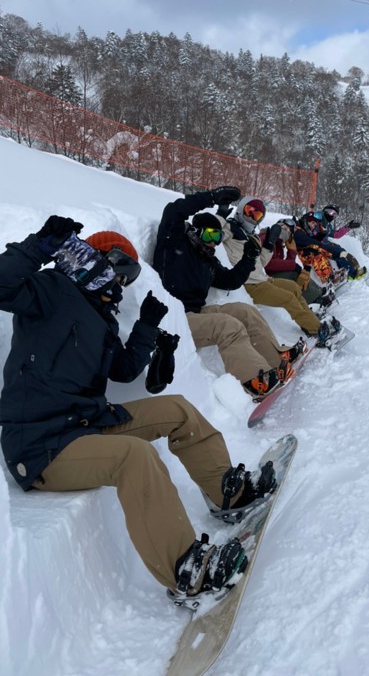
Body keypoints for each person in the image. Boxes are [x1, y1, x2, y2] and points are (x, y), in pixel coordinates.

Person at [0, 216, 275, 607]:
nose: (121, 284)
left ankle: (225, 491)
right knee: (135, 457)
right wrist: (41, 244)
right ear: (100, 258)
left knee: (177, 408)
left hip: (86, 425)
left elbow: (124, 369)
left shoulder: (101, 319)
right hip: (40, 445)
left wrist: (147, 329)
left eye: (127, 277)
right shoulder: (50, 289)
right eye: (121, 270)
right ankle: (184, 568)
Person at [152, 186, 305, 398]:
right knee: (228, 326)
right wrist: (212, 197)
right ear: (196, 231)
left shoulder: (208, 261)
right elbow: (174, 210)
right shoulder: (174, 240)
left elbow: (231, 281)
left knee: (244, 312)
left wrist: (249, 258)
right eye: (209, 234)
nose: (213, 242)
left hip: (194, 313)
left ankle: (276, 359)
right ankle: (254, 380)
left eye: (217, 237)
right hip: (171, 318)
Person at [220, 197, 340, 345]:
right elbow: (217, 233)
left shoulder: (249, 235)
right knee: (288, 298)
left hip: (261, 279)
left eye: (256, 215)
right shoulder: (232, 228)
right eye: (249, 211)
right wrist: (219, 216)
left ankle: (310, 321)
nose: (251, 217)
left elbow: (261, 262)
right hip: (249, 283)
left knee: (294, 288)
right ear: (241, 209)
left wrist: (270, 246)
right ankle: (315, 328)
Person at [262, 217, 334, 308]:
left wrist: (292, 252)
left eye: (289, 232)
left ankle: (318, 293)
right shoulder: (266, 237)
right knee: (294, 274)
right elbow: (268, 264)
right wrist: (294, 266)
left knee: (300, 274)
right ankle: (314, 299)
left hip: (271, 275)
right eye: (284, 229)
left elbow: (283, 265)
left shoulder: (278, 243)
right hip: (263, 277)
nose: (286, 232)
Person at [295, 212, 361, 280]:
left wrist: (322, 234)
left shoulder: (321, 227)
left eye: (315, 224)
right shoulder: (298, 230)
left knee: (338, 251)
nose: (313, 226)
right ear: (306, 221)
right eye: (312, 223)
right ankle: (329, 278)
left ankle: (348, 270)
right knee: (317, 254)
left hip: (317, 247)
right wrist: (333, 253)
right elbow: (312, 242)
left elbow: (335, 234)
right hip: (304, 252)